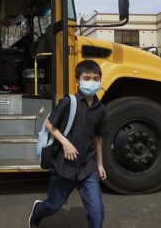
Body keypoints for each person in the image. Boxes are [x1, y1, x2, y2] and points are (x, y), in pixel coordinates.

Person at [29, 59, 107, 228]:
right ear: (78, 81)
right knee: (53, 205)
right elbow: (50, 125)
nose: (92, 82)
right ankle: (37, 212)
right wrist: (66, 143)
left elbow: (98, 137)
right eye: (87, 78)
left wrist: (100, 164)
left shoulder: (101, 109)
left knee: (97, 213)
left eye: (96, 78)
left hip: (88, 167)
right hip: (64, 166)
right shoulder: (68, 102)